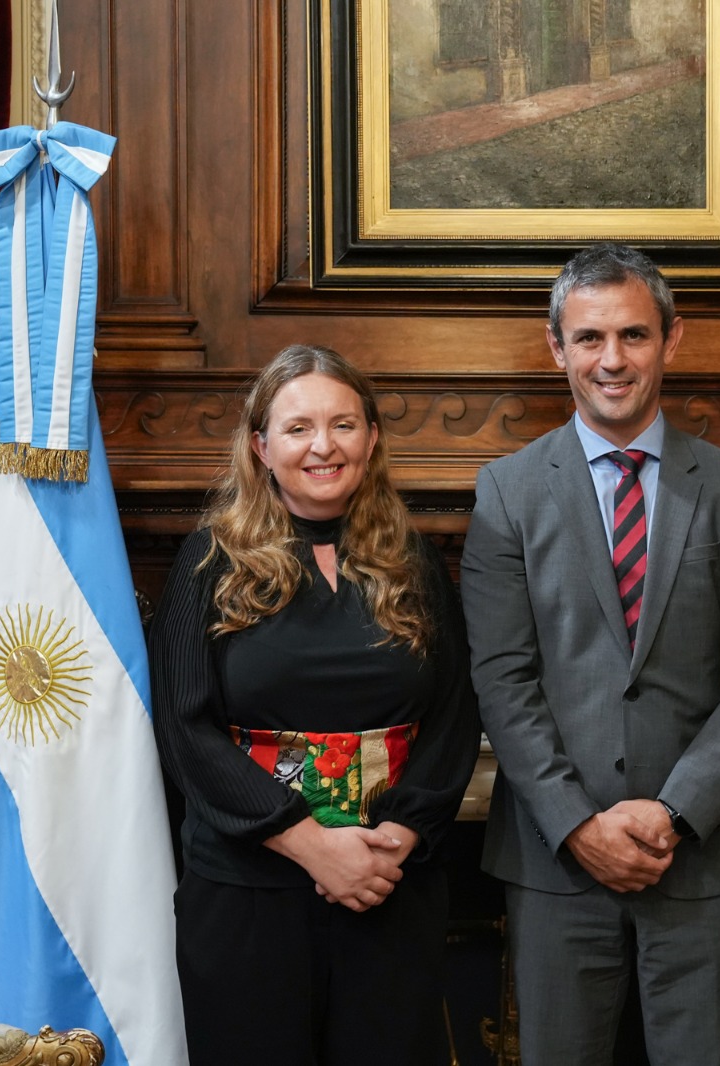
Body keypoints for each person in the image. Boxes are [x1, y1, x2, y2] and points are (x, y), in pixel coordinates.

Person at [460, 243, 720, 1065]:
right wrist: (579, 825)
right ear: (557, 348)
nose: (611, 360)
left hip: (704, 860)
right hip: (556, 863)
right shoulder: (506, 491)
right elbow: (501, 680)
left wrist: (673, 811)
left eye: (634, 336)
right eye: (588, 338)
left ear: (671, 340)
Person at [150, 344, 479, 1066]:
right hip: (248, 892)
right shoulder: (210, 561)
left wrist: (400, 837)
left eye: (343, 425)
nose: (323, 446)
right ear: (261, 446)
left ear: (371, 440)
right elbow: (183, 727)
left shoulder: (412, 560)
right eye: (298, 428)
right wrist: (310, 845)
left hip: (387, 885)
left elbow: (455, 711)